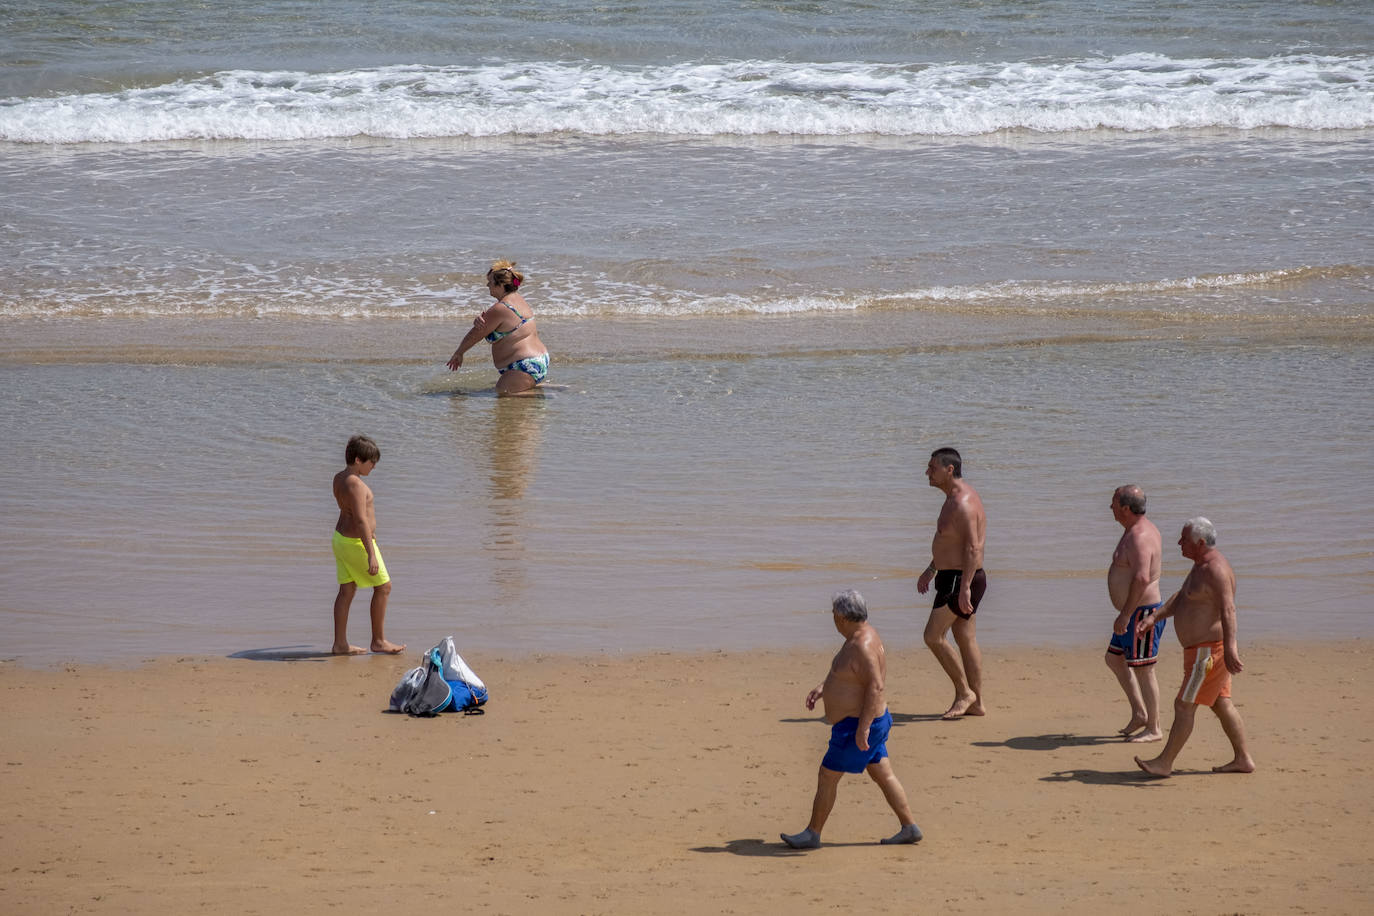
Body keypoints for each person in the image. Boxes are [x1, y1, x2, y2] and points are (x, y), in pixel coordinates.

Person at [780, 590, 922, 849]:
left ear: (843, 617)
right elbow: (851, 675)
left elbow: (875, 686)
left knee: (827, 775)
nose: (833, 620)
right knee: (882, 773)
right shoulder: (862, 635)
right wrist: (825, 687)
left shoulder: (861, 645)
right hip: (871, 722)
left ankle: (813, 833)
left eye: (834, 615)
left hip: (856, 725)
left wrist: (863, 729)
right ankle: (910, 827)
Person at [1134, 517, 1255, 777]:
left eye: (1184, 539)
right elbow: (1183, 596)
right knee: (1221, 703)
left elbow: (1228, 609)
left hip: (1208, 653)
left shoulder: (1216, 569)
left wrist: (1232, 647)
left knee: (1183, 705)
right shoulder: (1200, 566)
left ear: (1200, 542)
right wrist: (1154, 617)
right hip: (1201, 651)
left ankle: (1164, 763)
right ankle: (1243, 759)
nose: (1179, 543)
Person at [916, 447, 988, 719]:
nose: (927, 472)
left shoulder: (963, 502)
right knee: (965, 638)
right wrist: (932, 569)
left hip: (961, 579)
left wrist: (965, 587)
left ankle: (964, 692)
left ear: (949, 469)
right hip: (954, 576)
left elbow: (972, 548)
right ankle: (977, 703)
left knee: (932, 636)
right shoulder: (953, 498)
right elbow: (951, 544)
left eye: (932, 467)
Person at [330, 435, 405, 656]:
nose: (373, 466)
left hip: (341, 540)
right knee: (384, 587)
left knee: (347, 589)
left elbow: (350, 512)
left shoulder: (339, 478)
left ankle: (340, 644)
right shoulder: (356, 484)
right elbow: (361, 520)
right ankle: (378, 641)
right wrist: (371, 553)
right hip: (356, 543)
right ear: (357, 459)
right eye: (371, 462)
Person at [1105, 485, 1166, 743]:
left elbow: (1141, 579)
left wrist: (1126, 615)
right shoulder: (1133, 531)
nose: (1111, 508)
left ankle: (1154, 727)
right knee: (1114, 659)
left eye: (1114, 503)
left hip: (1141, 613)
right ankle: (1140, 713)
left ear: (1126, 509)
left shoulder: (1140, 536)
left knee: (1144, 670)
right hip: (1132, 611)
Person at [446, 260, 550, 396]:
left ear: (500, 284)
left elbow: (476, 333)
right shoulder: (517, 300)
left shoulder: (501, 308)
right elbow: (499, 325)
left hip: (523, 365)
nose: (487, 285)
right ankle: (541, 387)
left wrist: (459, 352)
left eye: (490, 281)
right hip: (535, 360)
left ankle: (541, 395)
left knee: (504, 394)